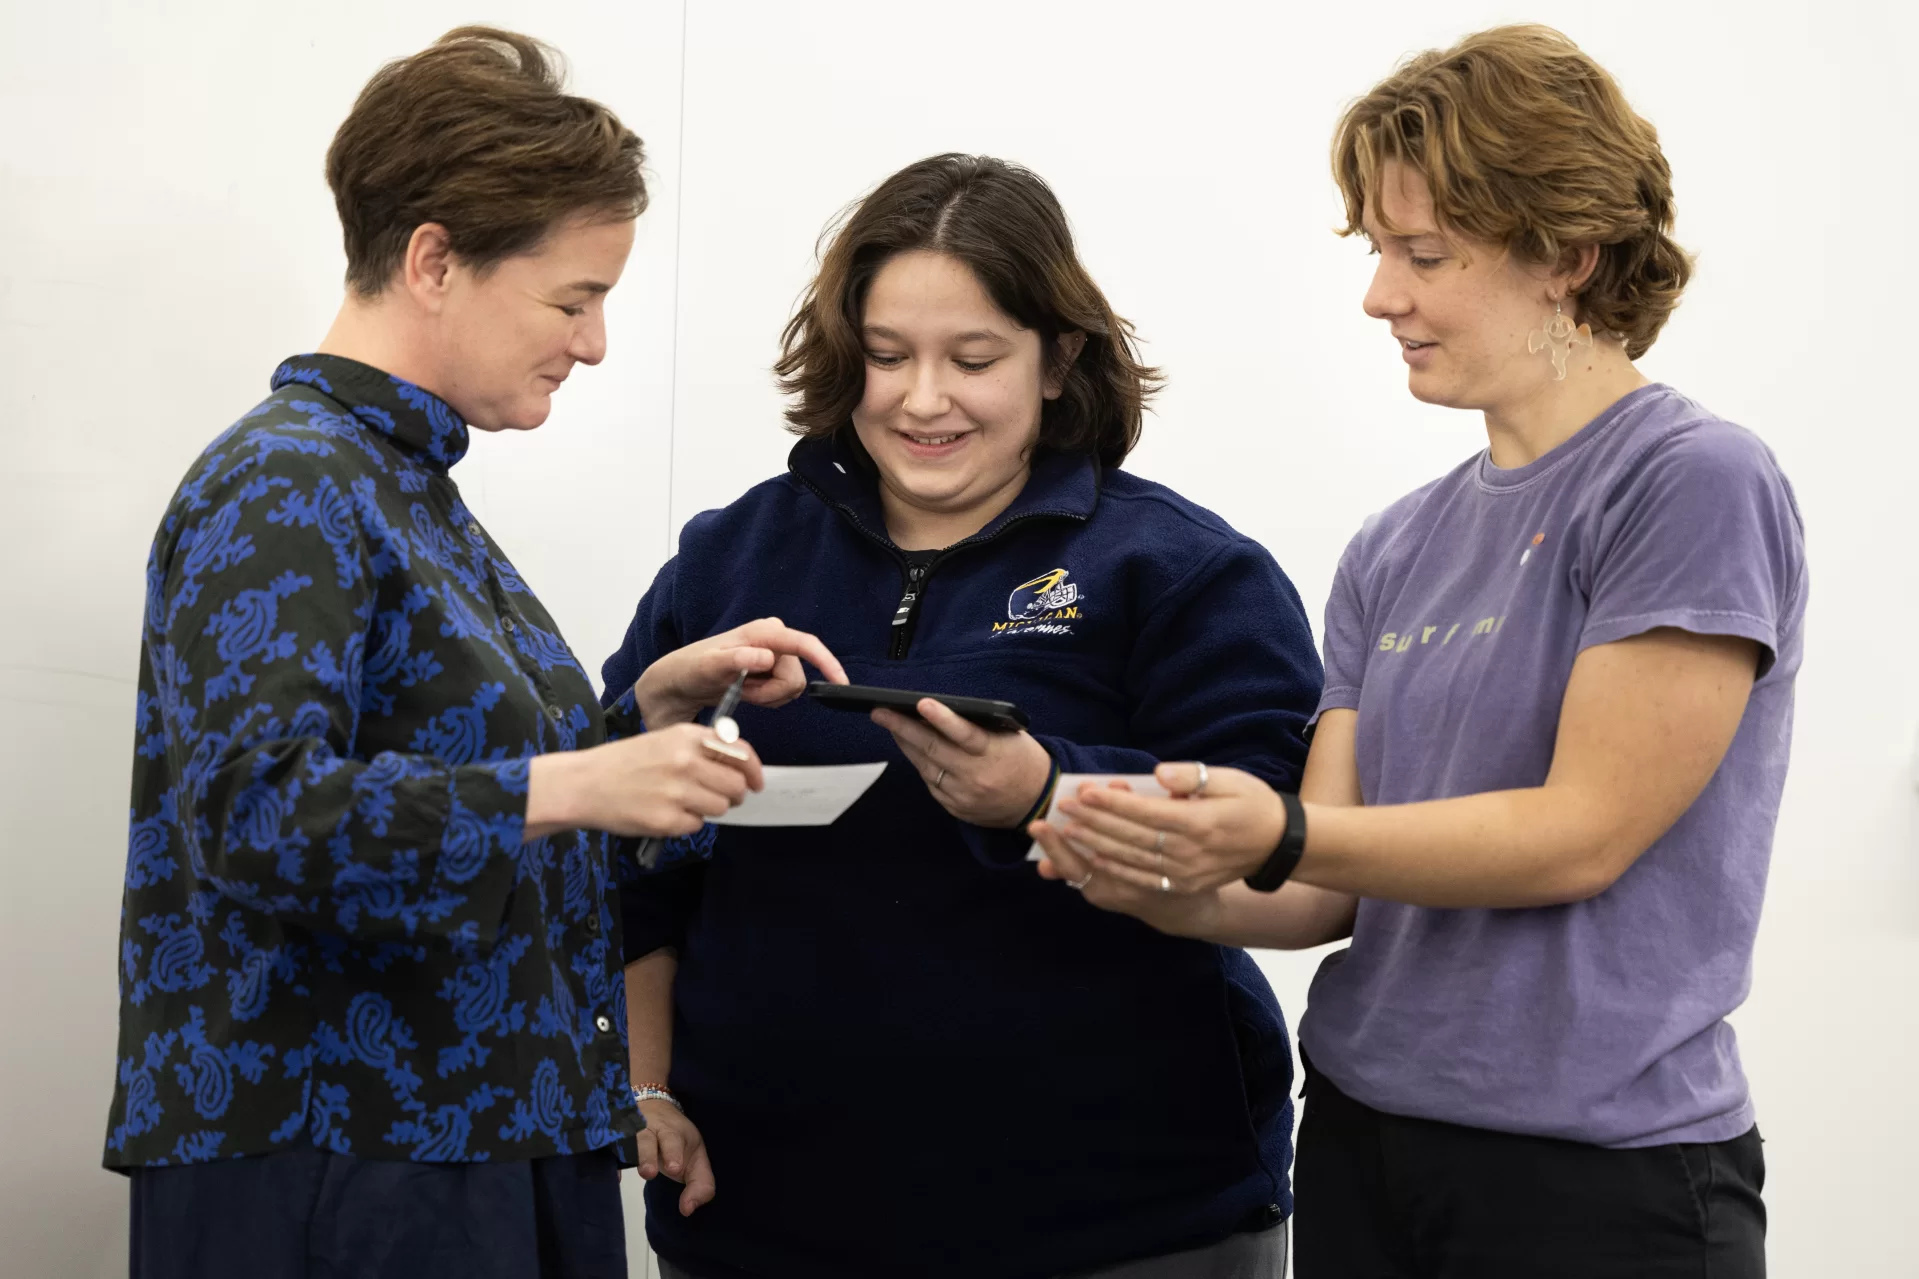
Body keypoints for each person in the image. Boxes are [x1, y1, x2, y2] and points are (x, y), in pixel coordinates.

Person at [1032, 24, 1805, 1279]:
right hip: (1362, 1139)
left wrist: (1275, 828)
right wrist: (1140, 870)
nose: (1378, 294)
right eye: (1381, 250)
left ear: (1566, 254)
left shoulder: (1688, 482)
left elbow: (1578, 833)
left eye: (1423, 254)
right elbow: (1320, 891)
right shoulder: (1395, 544)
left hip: (1592, 1178)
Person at [104, 28, 842, 1279]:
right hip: (342, 1158)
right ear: (434, 260)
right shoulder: (286, 481)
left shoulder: (406, 493)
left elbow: (475, 811)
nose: (596, 342)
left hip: (478, 1144)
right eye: (573, 298)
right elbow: (253, 812)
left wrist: (646, 721)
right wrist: (572, 784)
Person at [601, 153, 1324, 1278]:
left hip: (1123, 1225)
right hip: (762, 1214)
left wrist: (1047, 792)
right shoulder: (730, 558)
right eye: (886, 357)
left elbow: (1286, 851)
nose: (920, 399)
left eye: (971, 358)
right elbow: (626, 868)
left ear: (1058, 358)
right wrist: (645, 1086)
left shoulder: (1180, 572)